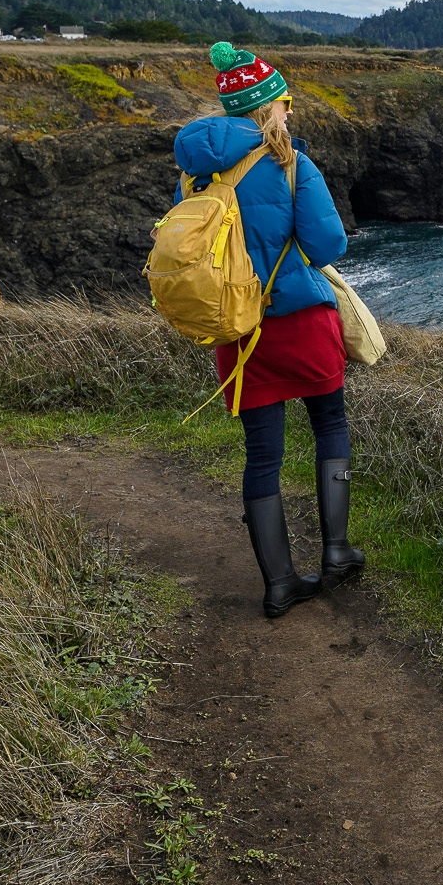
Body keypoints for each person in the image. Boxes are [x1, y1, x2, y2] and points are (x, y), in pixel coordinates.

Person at [173, 42, 364, 618]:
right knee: (329, 424)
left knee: (262, 455)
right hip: (301, 322)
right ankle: (336, 552)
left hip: (237, 330)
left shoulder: (194, 175)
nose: (290, 112)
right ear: (268, 108)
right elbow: (329, 245)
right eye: (285, 103)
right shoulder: (289, 164)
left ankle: (279, 583)